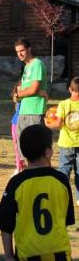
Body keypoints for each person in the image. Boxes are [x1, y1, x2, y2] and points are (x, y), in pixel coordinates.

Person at [0, 124, 75, 261]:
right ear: (47, 152)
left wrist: (8, 256)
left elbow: (5, 224)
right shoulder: (61, 180)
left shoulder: (16, 182)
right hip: (59, 253)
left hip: (28, 254)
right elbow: (66, 220)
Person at [45, 76, 79, 206]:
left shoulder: (63, 104)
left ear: (70, 89)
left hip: (66, 144)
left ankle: (61, 196)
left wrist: (47, 125)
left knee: (64, 170)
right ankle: (78, 199)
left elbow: (58, 124)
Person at [14, 38, 47, 158]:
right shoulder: (26, 67)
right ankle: (26, 172)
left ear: (29, 49)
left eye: (22, 50)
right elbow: (22, 89)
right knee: (23, 146)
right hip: (24, 110)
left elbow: (33, 89)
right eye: (17, 52)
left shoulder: (37, 64)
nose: (20, 54)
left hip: (34, 111)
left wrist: (19, 94)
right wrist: (18, 93)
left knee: (36, 148)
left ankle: (41, 173)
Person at [10, 81, 25, 175]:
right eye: (18, 89)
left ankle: (22, 165)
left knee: (22, 145)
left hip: (23, 122)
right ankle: (19, 166)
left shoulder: (26, 100)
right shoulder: (18, 99)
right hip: (15, 123)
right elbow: (16, 101)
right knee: (16, 146)